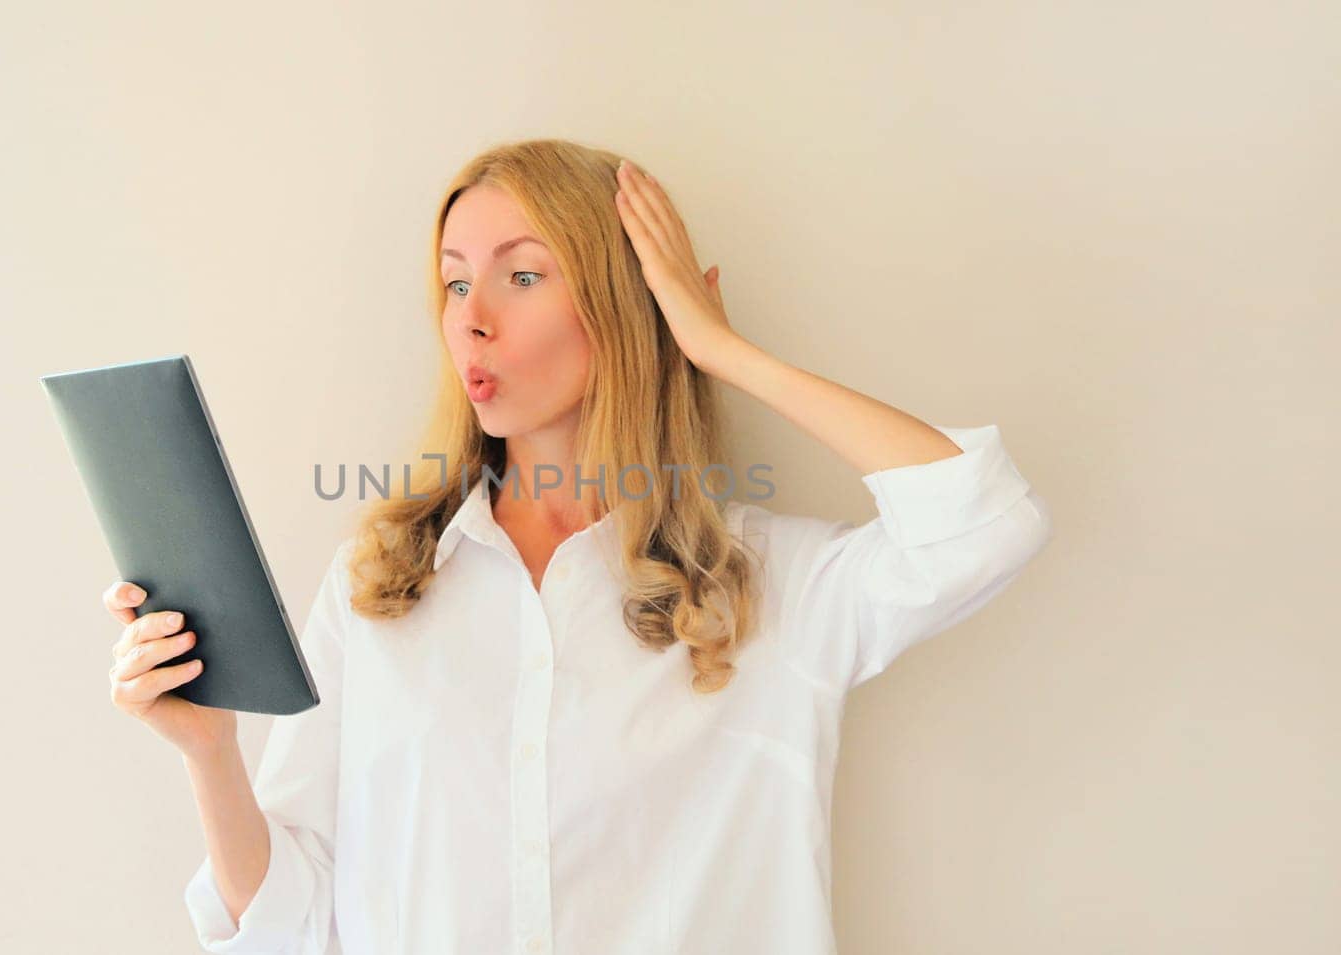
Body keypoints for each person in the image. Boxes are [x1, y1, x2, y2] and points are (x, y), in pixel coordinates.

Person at [104, 138, 1054, 954]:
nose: (473, 316)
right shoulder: (382, 588)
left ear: (628, 302)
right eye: (454, 280)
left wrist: (719, 348)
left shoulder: (765, 588)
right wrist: (211, 752)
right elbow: (292, 927)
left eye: (523, 275)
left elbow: (983, 523)